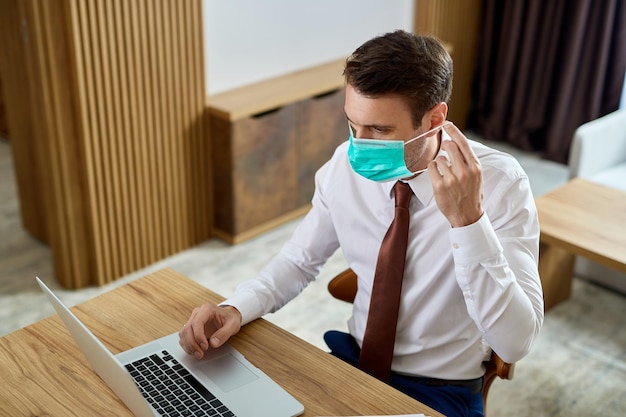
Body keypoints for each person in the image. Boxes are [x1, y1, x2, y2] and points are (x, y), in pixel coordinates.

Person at [179, 30, 544, 417]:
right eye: (353, 124)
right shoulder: (342, 166)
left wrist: (469, 223)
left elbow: (517, 342)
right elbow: (299, 260)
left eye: (380, 131)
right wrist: (235, 308)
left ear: (435, 119)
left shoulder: (503, 185)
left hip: (441, 389)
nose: (359, 144)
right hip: (352, 361)